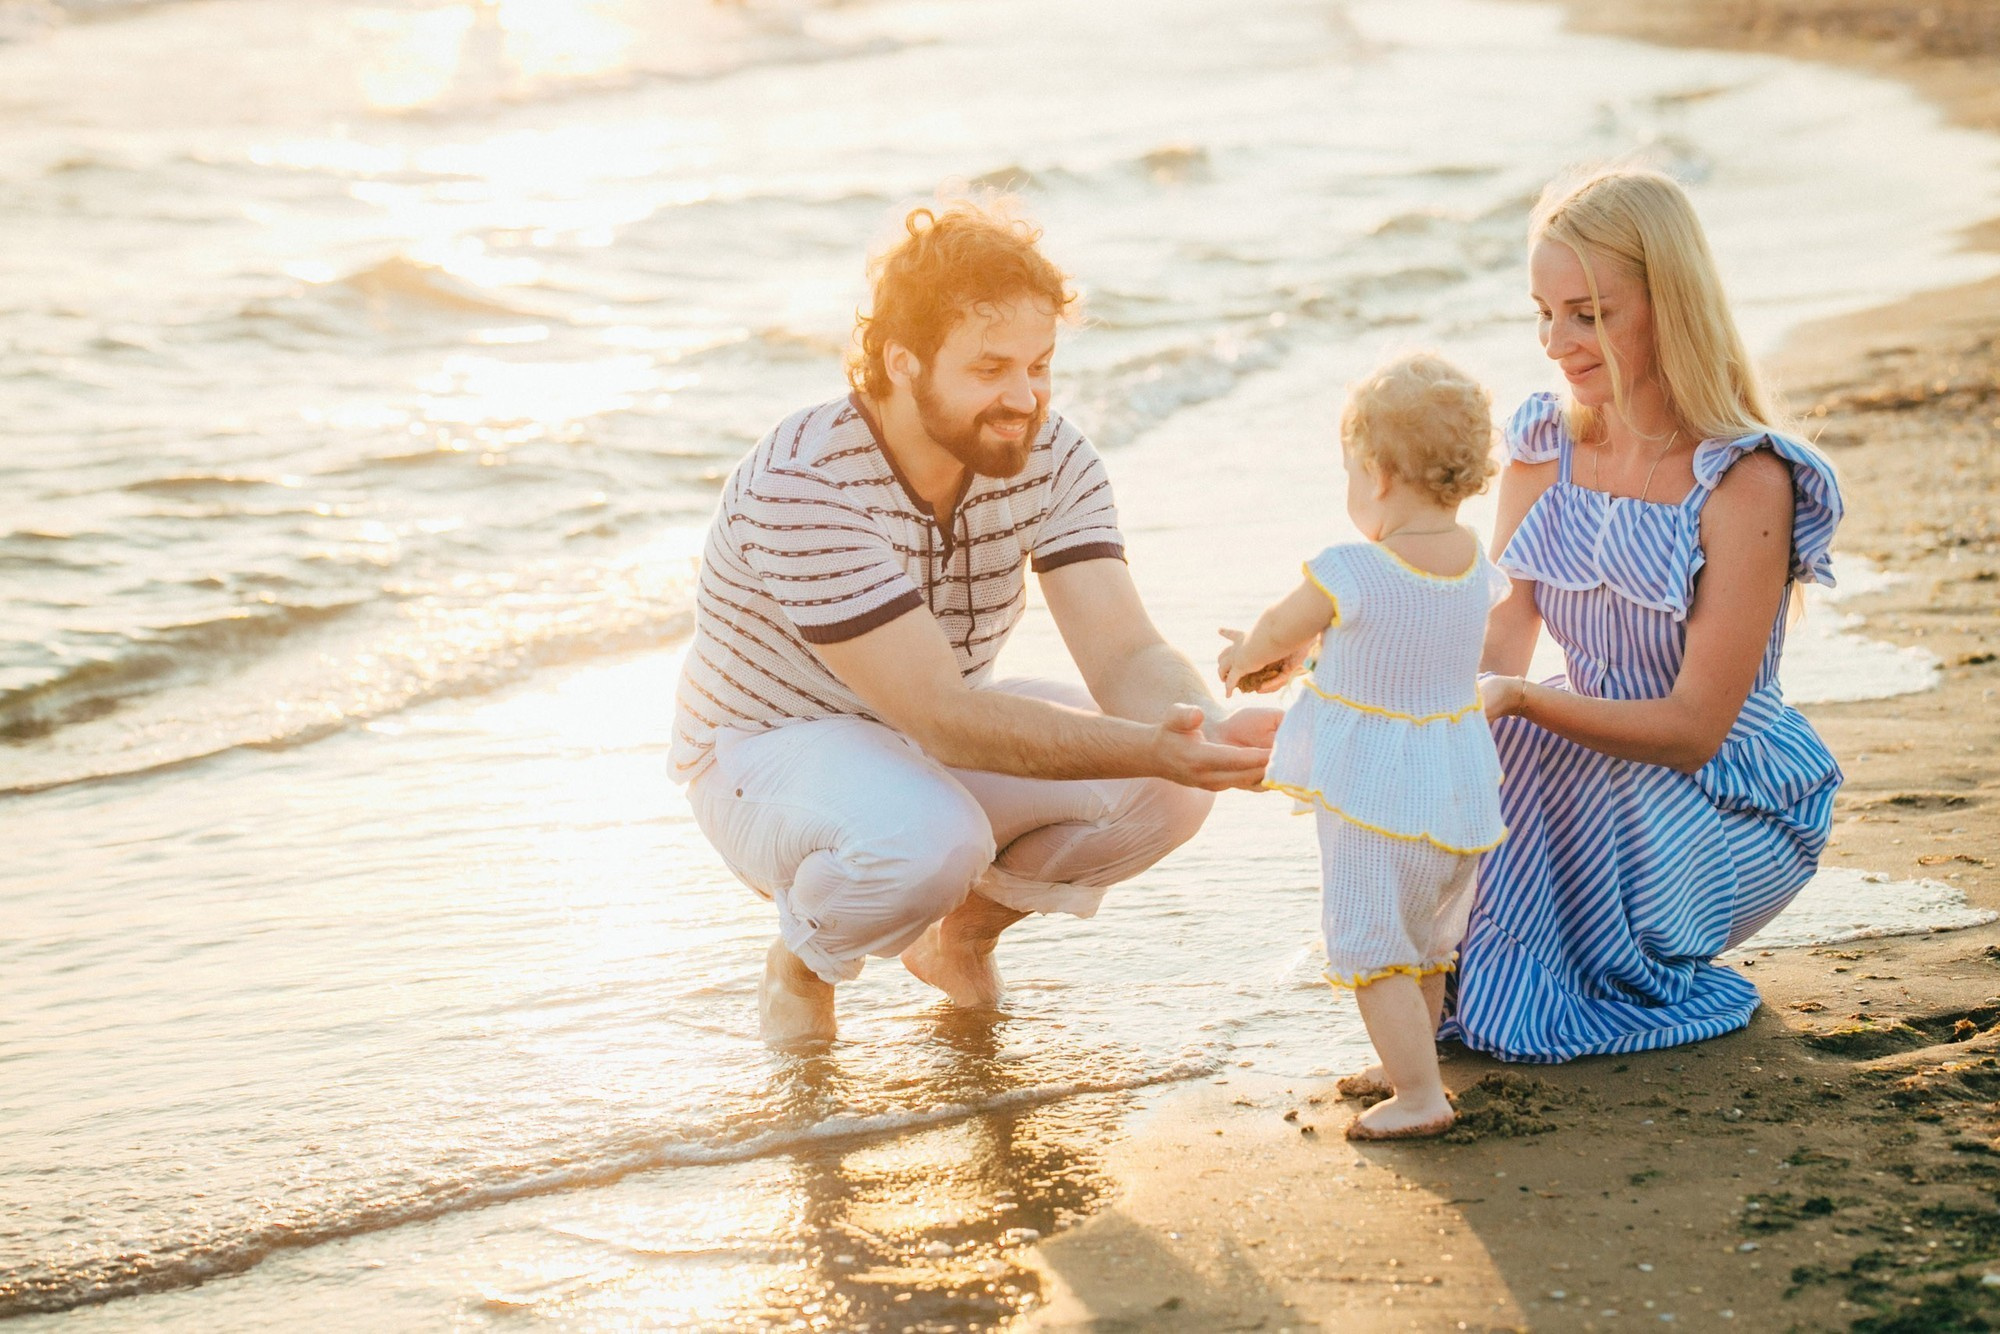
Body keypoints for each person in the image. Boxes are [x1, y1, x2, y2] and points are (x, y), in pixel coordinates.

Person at [671, 198, 1282, 1045]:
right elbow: (944, 717)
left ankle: (960, 938)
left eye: (1039, 365)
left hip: (926, 740)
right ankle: (804, 961)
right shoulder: (804, 483)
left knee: (1169, 793)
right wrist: (1154, 743)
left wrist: (1206, 733)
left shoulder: (1051, 452)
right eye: (990, 369)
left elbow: (1127, 652)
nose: (1023, 397)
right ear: (901, 362)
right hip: (766, 751)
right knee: (930, 845)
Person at [1445, 167, 1844, 1062]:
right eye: (1543, 313)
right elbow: (1500, 637)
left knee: (1528, 733)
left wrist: (1515, 701)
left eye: (1591, 314)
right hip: (1584, 765)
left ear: (1671, 305)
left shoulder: (1746, 482)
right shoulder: (1544, 445)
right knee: (1464, 740)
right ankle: (1464, 958)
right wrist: (1359, 661)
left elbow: (1693, 729)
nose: (1558, 342)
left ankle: (1522, 963)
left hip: (1723, 798)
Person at [1218, 351, 1509, 1139]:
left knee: (1371, 939)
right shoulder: (1474, 565)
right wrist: (1305, 660)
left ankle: (1419, 1097)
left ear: (1377, 474)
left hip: (1375, 799)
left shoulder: (1351, 568)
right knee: (1422, 944)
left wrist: (1245, 653)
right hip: (1454, 798)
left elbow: (1284, 625)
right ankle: (1411, 1063)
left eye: (1351, 472)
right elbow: (1393, 647)